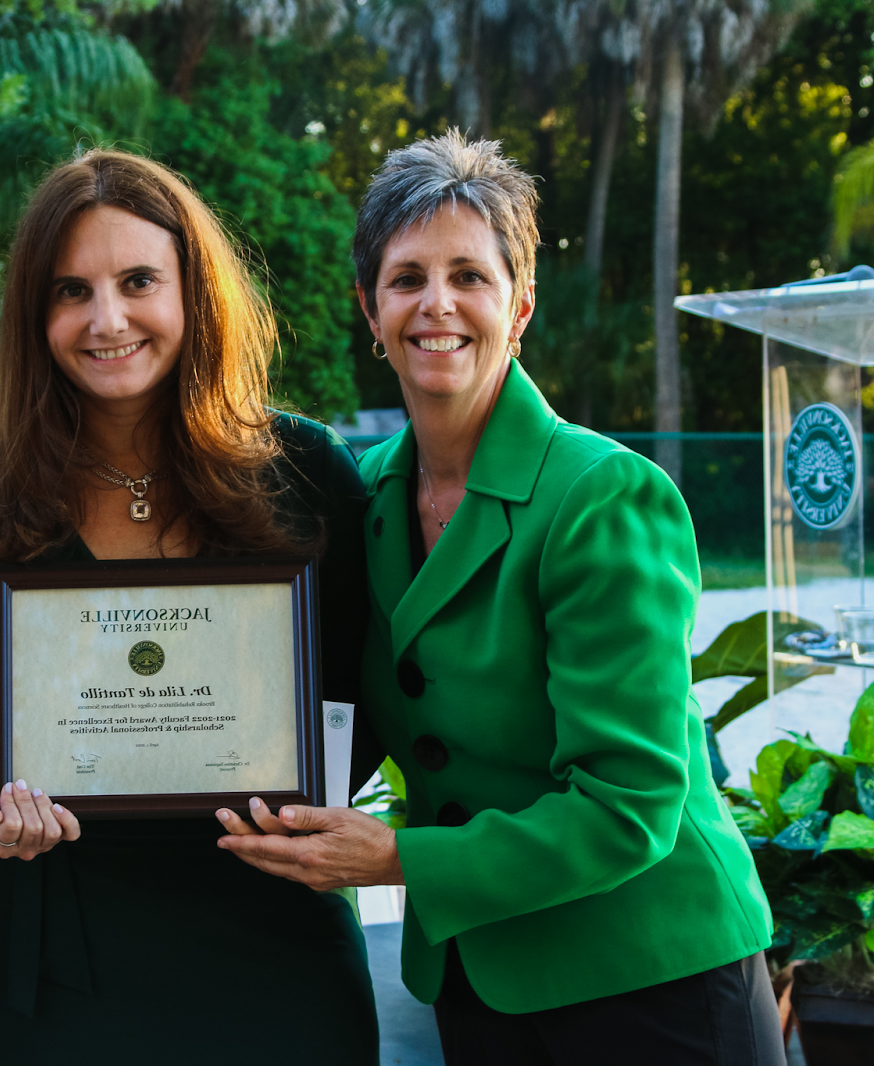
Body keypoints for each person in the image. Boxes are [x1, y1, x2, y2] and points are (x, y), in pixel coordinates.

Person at [217, 131, 783, 1065]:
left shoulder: (603, 495)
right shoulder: (361, 497)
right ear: (370, 307)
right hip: (483, 982)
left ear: (519, 305)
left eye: (469, 276)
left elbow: (629, 806)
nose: (437, 303)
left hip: (654, 976)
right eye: (407, 278)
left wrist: (397, 859)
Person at [0, 148, 380, 1065]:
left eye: (138, 281)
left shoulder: (304, 471)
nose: (107, 319)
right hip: (60, 937)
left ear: (193, 293)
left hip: (272, 922)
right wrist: (1, 793)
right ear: (34, 312)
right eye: (70, 291)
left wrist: (293, 787)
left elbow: (359, 695)